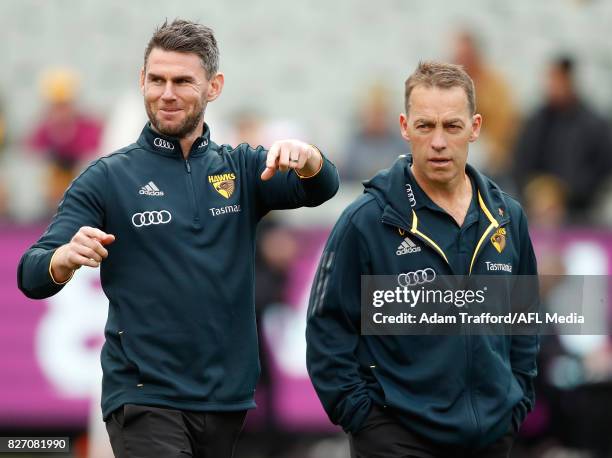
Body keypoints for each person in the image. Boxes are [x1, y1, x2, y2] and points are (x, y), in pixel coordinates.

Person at [18, 19, 339, 458]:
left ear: (214, 87)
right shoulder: (107, 178)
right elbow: (31, 273)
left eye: (182, 81)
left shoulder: (241, 168)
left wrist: (310, 159)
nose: (167, 93)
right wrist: (63, 259)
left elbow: (322, 187)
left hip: (225, 399)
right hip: (144, 396)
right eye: (157, 80)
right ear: (142, 82)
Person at [306, 61, 538, 458]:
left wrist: (514, 400)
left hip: (490, 438)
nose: (438, 142)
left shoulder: (507, 217)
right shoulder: (366, 221)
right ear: (404, 126)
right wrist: (364, 419)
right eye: (425, 126)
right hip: (397, 438)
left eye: (452, 126)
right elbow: (327, 330)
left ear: (475, 127)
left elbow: (525, 317)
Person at [513, 55, 612, 222]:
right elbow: (521, 163)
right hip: (535, 208)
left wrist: (565, 195)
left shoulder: (594, 125)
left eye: (556, 79)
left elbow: (601, 169)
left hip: (580, 212)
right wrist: (537, 192)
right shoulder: (536, 122)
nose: (551, 85)